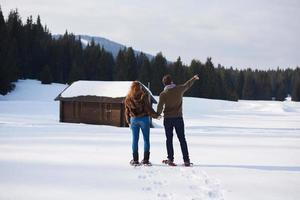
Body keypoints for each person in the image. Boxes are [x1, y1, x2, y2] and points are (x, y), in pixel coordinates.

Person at [157, 74, 199, 166]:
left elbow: (159, 107)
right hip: (178, 118)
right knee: (182, 139)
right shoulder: (179, 89)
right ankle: (186, 160)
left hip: (167, 119)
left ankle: (170, 159)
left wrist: (157, 115)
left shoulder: (163, 94)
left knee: (169, 139)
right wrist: (194, 78)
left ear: (164, 84)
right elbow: (187, 84)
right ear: (171, 81)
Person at [125, 81, 160, 166]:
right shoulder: (144, 96)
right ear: (139, 87)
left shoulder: (128, 98)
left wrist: (128, 121)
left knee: (135, 140)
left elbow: (127, 111)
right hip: (144, 119)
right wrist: (156, 115)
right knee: (146, 139)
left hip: (134, 120)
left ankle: (135, 160)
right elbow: (148, 108)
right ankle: (146, 160)